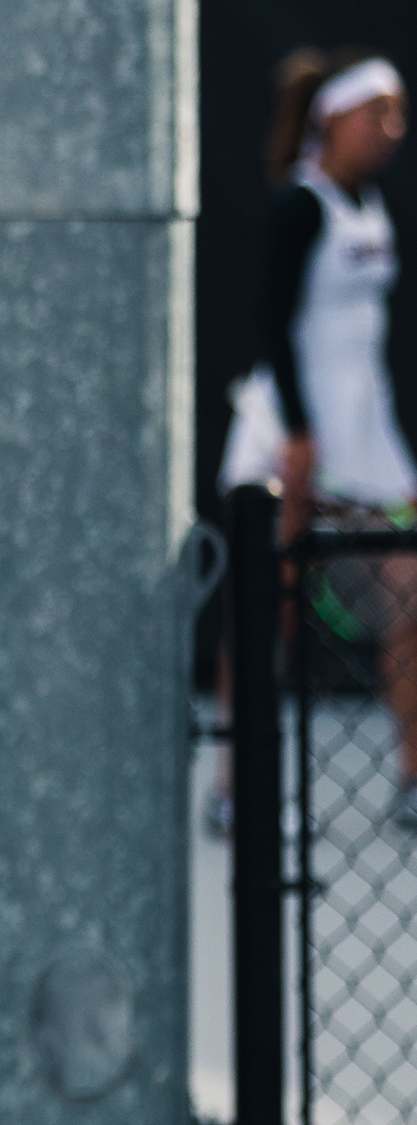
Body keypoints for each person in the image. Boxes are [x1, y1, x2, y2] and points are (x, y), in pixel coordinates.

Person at [217, 48, 417, 834]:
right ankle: (237, 785)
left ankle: (411, 777)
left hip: (369, 440)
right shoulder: (299, 209)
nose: (393, 131)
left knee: (409, 598)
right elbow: (270, 321)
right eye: (381, 114)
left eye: (399, 115)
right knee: (264, 609)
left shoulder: (372, 206)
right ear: (334, 117)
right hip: (292, 438)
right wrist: (299, 434)